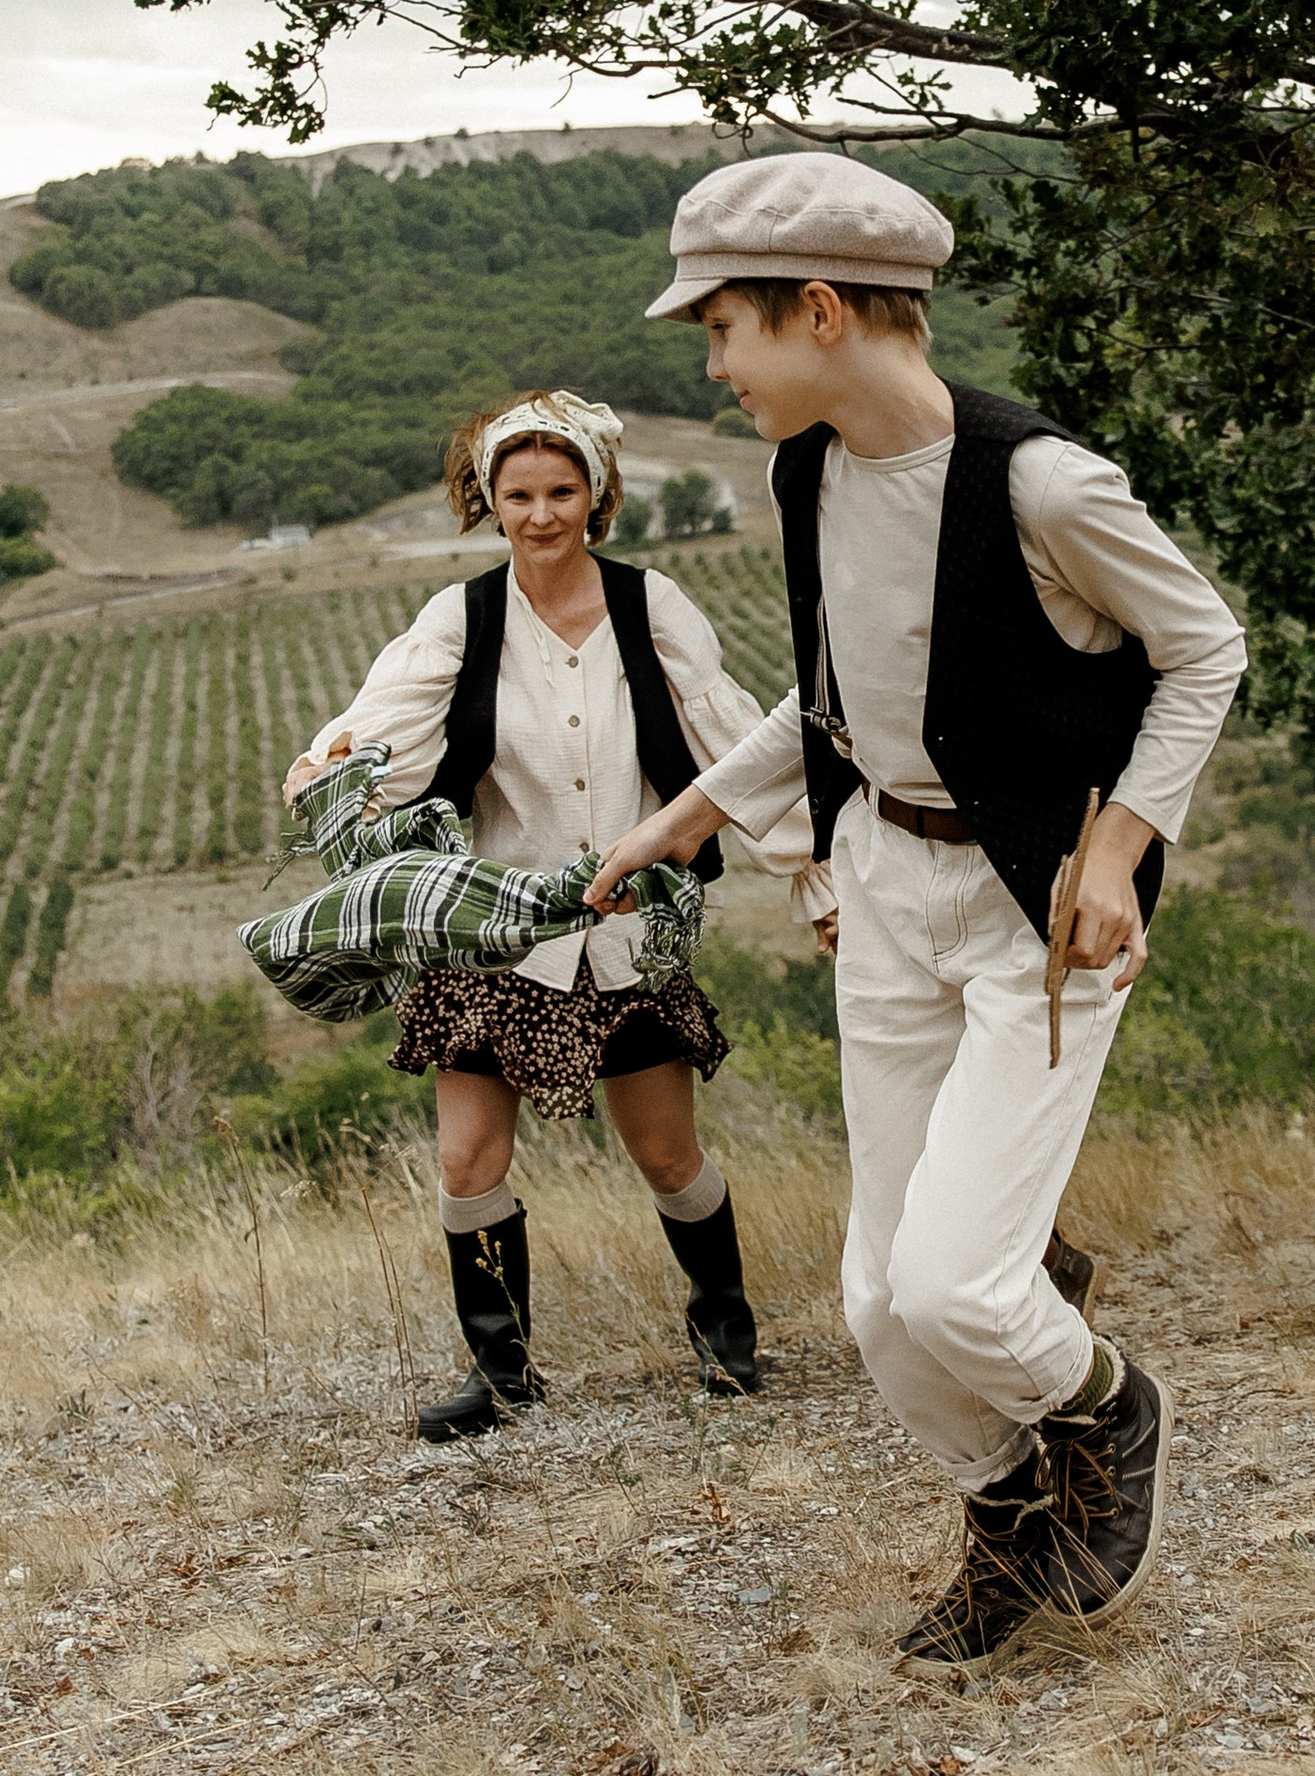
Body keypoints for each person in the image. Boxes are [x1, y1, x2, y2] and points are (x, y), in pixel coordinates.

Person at [588, 156, 1246, 1675]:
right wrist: (688, 817)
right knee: (885, 1310)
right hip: (883, 889)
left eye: (722, 330)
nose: (710, 365)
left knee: (959, 1284)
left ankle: (1107, 1412)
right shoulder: (808, 466)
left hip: (1036, 905)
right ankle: (1015, 1513)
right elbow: (834, 697)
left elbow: (1204, 652)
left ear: (819, 311)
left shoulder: (1042, 484)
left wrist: (1121, 848)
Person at [286, 386, 826, 1439]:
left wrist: (812, 878)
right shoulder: (464, 617)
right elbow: (381, 719)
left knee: (667, 1154)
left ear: (596, 495)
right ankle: (503, 1377)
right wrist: (329, 760)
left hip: (626, 932)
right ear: (488, 500)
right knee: (466, 1160)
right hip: (492, 932)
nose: (539, 514)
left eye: (560, 491)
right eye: (517, 493)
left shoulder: (649, 604)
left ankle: (726, 1340)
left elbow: (728, 746)